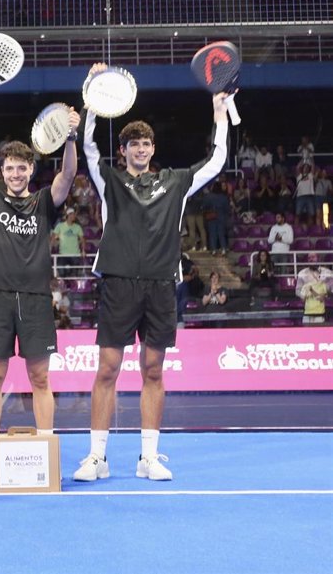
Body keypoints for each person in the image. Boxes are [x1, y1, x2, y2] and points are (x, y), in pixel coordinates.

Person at [74, 62, 230, 482]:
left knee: (153, 370)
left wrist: (219, 113)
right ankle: (97, 457)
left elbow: (216, 161)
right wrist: (91, 95)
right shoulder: (109, 180)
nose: (140, 149)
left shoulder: (176, 182)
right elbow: (88, 146)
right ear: (123, 151)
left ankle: (148, 457)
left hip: (162, 285)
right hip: (119, 284)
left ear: (152, 148)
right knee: (107, 368)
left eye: (145, 143)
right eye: (133, 144)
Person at [0, 76, 80, 482]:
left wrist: (69, 137)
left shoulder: (43, 200)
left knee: (40, 377)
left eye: (21, 167)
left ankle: (47, 448)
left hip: (34, 297)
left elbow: (67, 176)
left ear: (32, 169)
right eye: (9, 168)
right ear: (3, 170)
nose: (15, 173)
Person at [295, 253, 333, 325]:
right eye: (309, 258)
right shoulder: (302, 273)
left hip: (321, 308)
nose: (311, 259)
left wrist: (325, 295)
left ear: (319, 259)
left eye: (313, 257)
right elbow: (298, 291)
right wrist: (303, 295)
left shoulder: (328, 273)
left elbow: (331, 289)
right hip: (308, 309)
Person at [51, 207, 86, 277]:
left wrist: (83, 250)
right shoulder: (60, 226)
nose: (74, 216)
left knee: (76, 274)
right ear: (68, 215)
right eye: (72, 214)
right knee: (62, 273)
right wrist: (51, 248)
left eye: (74, 215)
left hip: (75, 254)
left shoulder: (77, 227)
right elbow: (53, 238)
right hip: (63, 254)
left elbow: (83, 240)